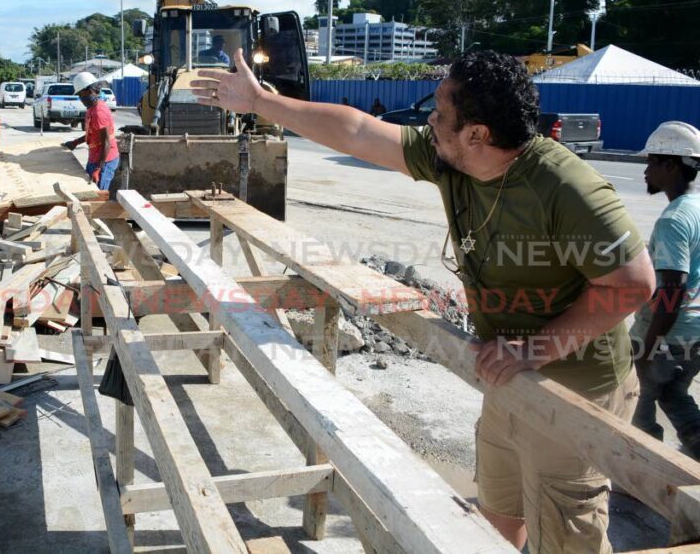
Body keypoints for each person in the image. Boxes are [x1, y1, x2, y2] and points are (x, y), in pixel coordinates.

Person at [190, 48, 655, 553]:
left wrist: (535, 350)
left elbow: (632, 285)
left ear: (477, 134)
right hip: (509, 374)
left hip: (573, 388)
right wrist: (261, 101)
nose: (428, 120)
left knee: (567, 539)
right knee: (498, 515)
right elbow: (357, 132)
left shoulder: (566, 186)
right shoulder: (450, 161)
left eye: (439, 112)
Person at [631, 121, 700, 457]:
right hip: (694, 333)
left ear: (671, 165)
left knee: (636, 401)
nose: (645, 171)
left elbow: (673, 290)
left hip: (668, 333)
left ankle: (638, 474)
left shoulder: (674, 219)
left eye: (651, 162)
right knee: (673, 393)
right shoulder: (697, 208)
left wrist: (647, 348)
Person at [62, 72, 119, 191]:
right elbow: (92, 133)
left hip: (105, 160)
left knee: (98, 195)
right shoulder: (91, 109)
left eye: (81, 94)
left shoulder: (99, 112)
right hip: (95, 157)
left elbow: (106, 143)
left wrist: (98, 169)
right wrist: (75, 142)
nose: (80, 98)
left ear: (90, 91)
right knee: (88, 190)